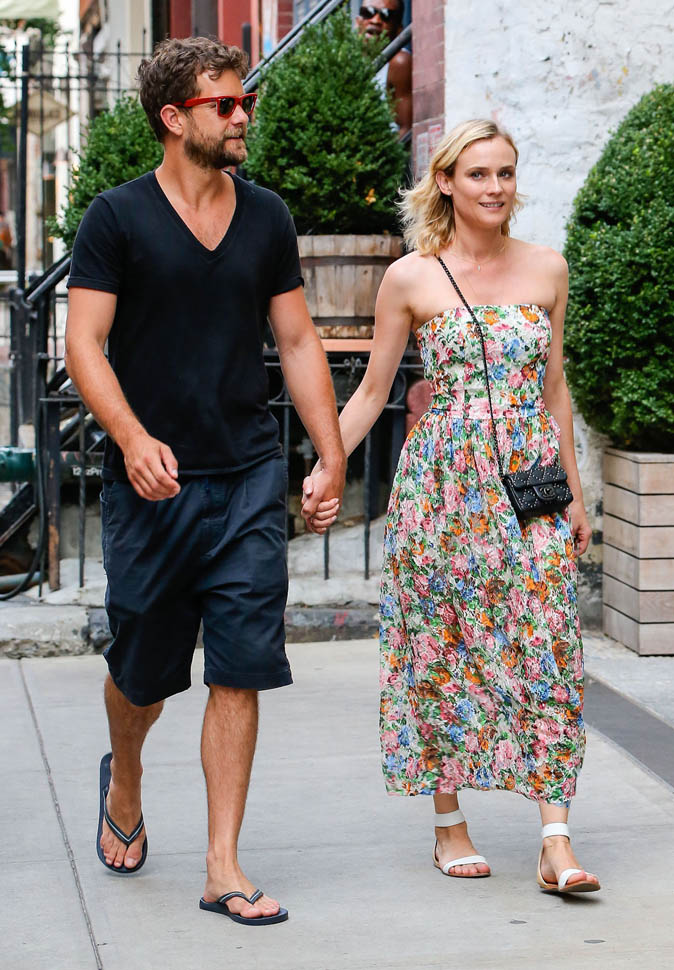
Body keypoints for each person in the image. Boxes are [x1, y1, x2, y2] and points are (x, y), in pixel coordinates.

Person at [65, 36, 344, 926]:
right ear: (173, 118)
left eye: (244, 101)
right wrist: (131, 437)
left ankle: (224, 864)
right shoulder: (117, 217)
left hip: (249, 475)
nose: (242, 115)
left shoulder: (266, 217)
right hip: (153, 486)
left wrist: (330, 451)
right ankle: (126, 776)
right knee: (142, 673)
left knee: (240, 668)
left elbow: (295, 339)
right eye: (225, 104)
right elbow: (83, 345)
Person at [305, 119, 600, 894]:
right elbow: (372, 391)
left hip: (530, 486)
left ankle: (556, 840)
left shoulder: (548, 268)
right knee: (442, 648)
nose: (495, 188)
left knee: (547, 644)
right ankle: (449, 826)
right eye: (478, 174)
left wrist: (573, 494)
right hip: (442, 489)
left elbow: (554, 391)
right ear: (446, 182)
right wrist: (327, 467)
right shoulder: (411, 277)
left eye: (505, 173)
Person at [356, 1, 412, 138]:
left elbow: (406, 131)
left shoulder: (399, 62)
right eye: (368, 12)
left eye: (387, 15)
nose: (375, 20)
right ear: (357, 22)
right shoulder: (351, 61)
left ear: (399, 29)